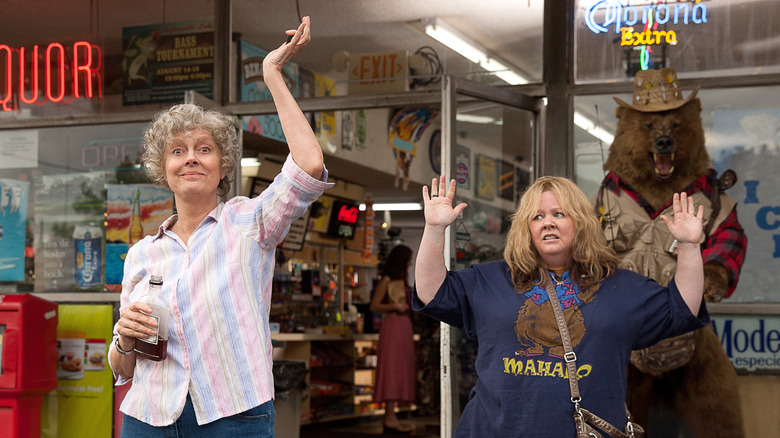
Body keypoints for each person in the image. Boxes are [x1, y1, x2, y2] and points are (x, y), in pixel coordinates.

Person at [108, 17, 332, 437]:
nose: (191, 158)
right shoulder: (142, 254)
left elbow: (309, 165)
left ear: (223, 164)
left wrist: (271, 75)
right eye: (178, 151)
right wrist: (123, 338)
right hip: (149, 417)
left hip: (233, 417)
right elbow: (121, 370)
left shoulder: (249, 222)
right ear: (163, 168)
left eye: (204, 149)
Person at [413, 175, 708, 437]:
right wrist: (435, 229)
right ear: (525, 227)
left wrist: (690, 247)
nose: (548, 222)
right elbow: (431, 292)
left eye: (559, 214)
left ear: (580, 222)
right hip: (492, 429)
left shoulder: (619, 286)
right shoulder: (489, 280)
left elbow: (683, 308)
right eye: (537, 216)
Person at [370, 244, 417, 434]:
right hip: (393, 327)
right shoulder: (387, 280)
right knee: (391, 369)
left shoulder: (403, 281)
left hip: (403, 327)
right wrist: (394, 307)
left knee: (400, 370)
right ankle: (389, 416)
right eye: (408, 259)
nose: (410, 263)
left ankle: (392, 415)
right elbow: (374, 305)